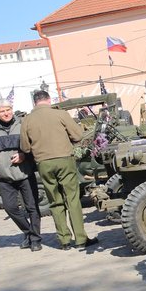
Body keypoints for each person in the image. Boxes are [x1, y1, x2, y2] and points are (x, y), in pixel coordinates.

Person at [20, 90, 97, 250]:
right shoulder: (60, 114)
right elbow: (78, 135)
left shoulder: (26, 120)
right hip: (64, 159)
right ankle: (81, 239)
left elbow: (25, 147)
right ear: (48, 100)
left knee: (55, 201)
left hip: (43, 163)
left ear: (35, 102)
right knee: (73, 199)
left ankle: (64, 241)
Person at [0, 100, 42, 250]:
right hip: (4, 176)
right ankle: (28, 232)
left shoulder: (23, 125)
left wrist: (24, 156)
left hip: (25, 173)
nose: (6, 113)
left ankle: (35, 239)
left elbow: (35, 145)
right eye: (2, 111)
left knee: (32, 207)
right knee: (10, 208)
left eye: (8, 109)